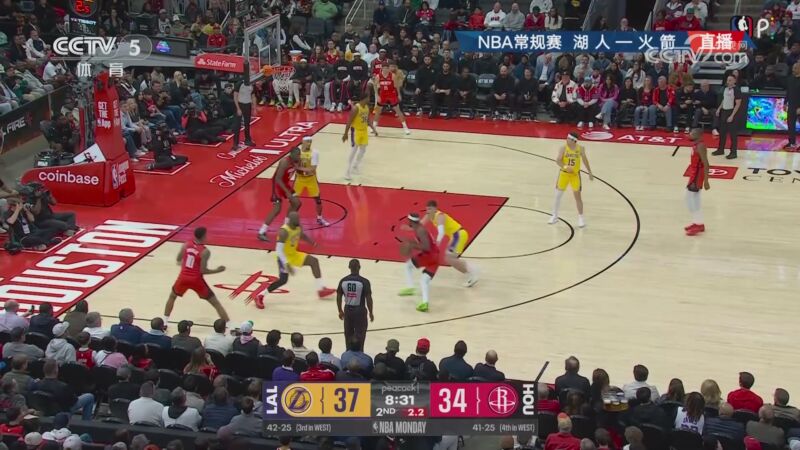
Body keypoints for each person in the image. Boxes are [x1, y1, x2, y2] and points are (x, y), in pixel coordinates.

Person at [253, 211, 336, 308]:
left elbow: (302, 235)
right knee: (283, 280)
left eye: (298, 219)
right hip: (283, 257)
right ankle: (260, 296)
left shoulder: (297, 226)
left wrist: (313, 243)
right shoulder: (284, 231)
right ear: (290, 221)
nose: (298, 221)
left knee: (314, 261)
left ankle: (321, 289)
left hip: (293, 254)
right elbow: (278, 251)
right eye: (296, 220)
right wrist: (286, 263)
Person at [164, 227, 229, 323]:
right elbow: (203, 271)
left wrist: (186, 266)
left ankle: (164, 322)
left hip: (183, 278)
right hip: (196, 280)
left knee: (172, 297)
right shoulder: (205, 251)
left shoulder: (186, 245)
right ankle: (229, 325)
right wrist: (218, 270)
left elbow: (178, 260)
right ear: (203, 236)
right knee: (216, 303)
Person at [421, 200, 479, 287]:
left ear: (435, 209)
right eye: (427, 209)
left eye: (430, 209)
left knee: (449, 258)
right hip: (455, 236)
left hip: (458, 235)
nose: (428, 211)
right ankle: (472, 270)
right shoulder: (429, 215)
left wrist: (436, 244)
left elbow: (441, 232)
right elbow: (420, 224)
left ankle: (472, 273)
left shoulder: (440, 216)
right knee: (449, 258)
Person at [548, 132, 594, 228]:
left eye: (569, 138)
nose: (567, 140)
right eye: (567, 138)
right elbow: (558, 160)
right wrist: (565, 167)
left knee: (577, 197)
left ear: (574, 141)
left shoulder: (580, 149)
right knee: (557, 196)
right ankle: (554, 216)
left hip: (575, 175)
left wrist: (589, 172)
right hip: (564, 174)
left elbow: (585, 160)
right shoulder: (563, 148)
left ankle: (581, 218)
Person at [398, 212, 440, 312]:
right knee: (424, 280)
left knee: (408, 265)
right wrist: (410, 240)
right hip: (435, 257)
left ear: (411, 221)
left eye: (408, 220)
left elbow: (426, 247)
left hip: (429, 256)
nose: (407, 222)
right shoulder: (418, 227)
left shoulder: (420, 230)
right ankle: (425, 303)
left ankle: (411, 287)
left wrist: (412, 245)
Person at [257, 147, 301, 241]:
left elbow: (298, 172)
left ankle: (286, 227)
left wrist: (305, 170)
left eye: (299, 154)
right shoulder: (284, 162)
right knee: (277, 209)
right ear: (292, 155)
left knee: (297, 203)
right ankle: (261, 232)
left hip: (285, 183)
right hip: (277, 184)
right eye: (297, 155)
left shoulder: (298, 160)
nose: (299, 156)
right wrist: (287, 192)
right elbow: (278, 179)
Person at [337, 259, 374, 349]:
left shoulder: (343, 281)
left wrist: (340, 310)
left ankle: (348, 352)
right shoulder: (364, 281)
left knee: (348, 334)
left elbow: (339, 296)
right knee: (360, 334)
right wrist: (371, 312)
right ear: (359, 267)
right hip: (359, 310)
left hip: (347, 310)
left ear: (349, 267)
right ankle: (359, 352)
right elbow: (368, 298)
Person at [293, 136, 330, 227]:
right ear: (303, 142)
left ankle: (319, 218)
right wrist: (298, 171)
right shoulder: (297, 152)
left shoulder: (314, 153)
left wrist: (299, 168)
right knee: (294, 201)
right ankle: (291, 220)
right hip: (299, 179)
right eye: (307, 142)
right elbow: (294, 166)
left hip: (311, 179)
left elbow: (312, 169)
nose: (309, 143)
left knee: (318, 200)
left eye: (310, 142)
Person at [342, 95, 379, 180]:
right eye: (368, 98)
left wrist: (374, 129)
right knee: (353, 151)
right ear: (363, 99)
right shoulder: (356, 108)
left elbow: (368, 120)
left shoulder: (366, 107)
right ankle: (347, 172)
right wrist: (345, 133)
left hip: (364, 131)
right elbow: (349, 121)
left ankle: (355, 166)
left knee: (363, 150)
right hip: (356, 131)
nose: (369, 100)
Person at [372, 62, 411, 134]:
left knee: (398, 111)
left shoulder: (392, 76)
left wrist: (398, 95)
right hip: (383, 94)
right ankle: (374, 127)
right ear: (382, 68)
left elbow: (396, 86)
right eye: (384, 68)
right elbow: (375, 86)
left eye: (387, 68)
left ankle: (405, 127)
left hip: (391, 94)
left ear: (388, 69)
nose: (385, 70)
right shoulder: (378, 76)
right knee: (378, 111)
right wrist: (377, 95)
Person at [684, 128, 710, 236]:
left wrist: (706, 181)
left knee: (691, 199)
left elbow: (706, 163)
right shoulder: (696, 144)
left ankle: (698, 224)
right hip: (694, 173)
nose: (689, 134)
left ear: (698, 135)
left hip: (698, 174)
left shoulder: (700, 146)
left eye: (692, 133)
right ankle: (698, 223)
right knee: (693, 199)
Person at [711, 75, 742, 160]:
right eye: (728, 80)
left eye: (730, 80)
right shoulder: (725, 89)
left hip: (732, 112)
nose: (728, 82)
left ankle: (733, 152)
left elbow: (738, 104)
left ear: (734, 81)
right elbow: (724, 99)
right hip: (724, 111)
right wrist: (719, 109)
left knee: (733, 134)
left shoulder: (736, 90)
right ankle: (720, 149)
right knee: (722, 132)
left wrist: (732, 115)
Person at [231, 70, 256, 152]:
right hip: (240, 104)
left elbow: (253, 96)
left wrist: (254, 108)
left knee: (247, 123)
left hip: (248, 105)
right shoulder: (239, 84)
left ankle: (247, 140)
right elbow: (235, 96)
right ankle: (235, 143)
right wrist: (238, 108)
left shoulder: (252, 84)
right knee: (237, 125)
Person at [786, 63, 800, 150]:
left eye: (795, 68)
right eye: (793, 68)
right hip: (791, 105)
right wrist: (785, 102)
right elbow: (788, 92)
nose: (793, 69)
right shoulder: (790, 79)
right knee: (790, 125)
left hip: (799, 106)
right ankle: (792, 142)